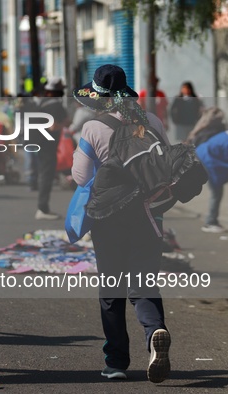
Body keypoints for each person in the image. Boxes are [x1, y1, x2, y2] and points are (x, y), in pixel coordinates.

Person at [72, 64, 172, 383]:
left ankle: (116, 361)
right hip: (149, 215)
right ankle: (155, 330)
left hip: (109, 218)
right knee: (144, 282)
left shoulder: (94, 128)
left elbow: (81, 176)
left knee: (112, 289)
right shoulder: (151, 120)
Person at [187, 107, 228, 233]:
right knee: (216, 192)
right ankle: (210, 222)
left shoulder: (220, 133)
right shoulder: (222, 136)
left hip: (204, 157)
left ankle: (211, 221)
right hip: (208, 161)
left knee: (217, 191)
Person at [33, 77, 69, 220]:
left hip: (40, 143)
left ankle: (43, 208)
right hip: (48, 146)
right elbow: (53, 126)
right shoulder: (56, 105)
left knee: (44, 174)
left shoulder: (42, 103)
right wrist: (64, 124)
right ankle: (43, 208)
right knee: (46, 176)